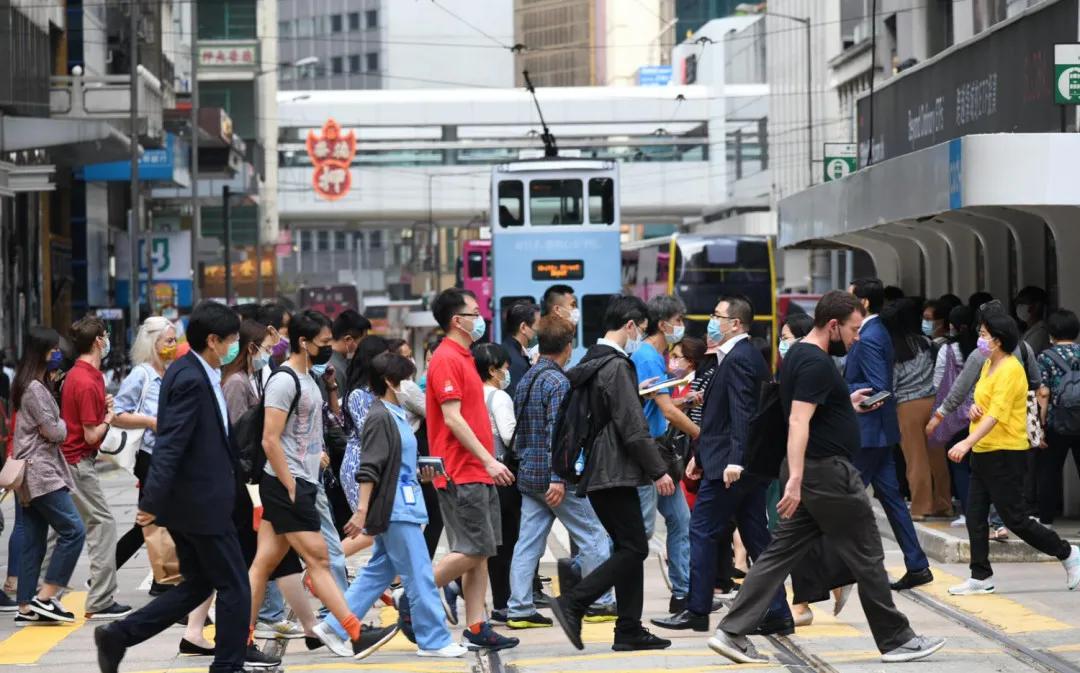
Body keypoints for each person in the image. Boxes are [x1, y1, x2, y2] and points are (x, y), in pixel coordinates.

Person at [707, 291, 946, 665]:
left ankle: (731, 631)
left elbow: (809, 410)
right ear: (833, 326)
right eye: (853, 330)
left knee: (776, 555)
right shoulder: (816, 363)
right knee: (867, 553)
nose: (857, 338)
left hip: (812, 473)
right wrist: (796, 479)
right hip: (826, 474)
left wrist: (841, 405)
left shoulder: (799, 355)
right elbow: (798, 420)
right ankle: (896, 639)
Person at [94, 301, 259, 673]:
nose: (235, 346)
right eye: (232, 339)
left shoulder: (199, 371)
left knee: (199, 585)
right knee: (235, 585)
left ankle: (118, 635)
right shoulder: (188, 378)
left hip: (202, 501)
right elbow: (169, 442)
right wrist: (151, 500)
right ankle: (228, 666)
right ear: (213, 340)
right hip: (200, 505)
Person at [248, 310, 396, 661]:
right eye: (324, 343)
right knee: (318, 559)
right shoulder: (285, 381)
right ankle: (352, 630)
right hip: (288, 484)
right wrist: (292, 486)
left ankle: (242, 639)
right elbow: (270, 439)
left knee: (263, 564)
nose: (329, 348)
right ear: (303, 342)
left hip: (301, 481)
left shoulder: (308, 378)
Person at [653, 296, 792, 635]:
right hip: (729, 462)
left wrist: (734, 461)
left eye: (717, 316)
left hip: (732, 467)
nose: (711, 322)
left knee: (700, 530)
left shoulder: (741, 359)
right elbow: (722, 416)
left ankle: (697, 610)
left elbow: (744, 415)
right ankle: (778, 612)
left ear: (736, 325)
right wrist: (701, 456)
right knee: (757, 538)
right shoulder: (732, 358)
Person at [316, 352, 468, 659]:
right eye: (404, 379)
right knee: (420, 573)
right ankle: (433, 639)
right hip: (395, 508)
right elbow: (369, 467)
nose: (409, 385)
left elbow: (396, 462)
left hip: (402, 503)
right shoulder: (380, 416)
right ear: (388, 382)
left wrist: (422, 472)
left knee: (378, 572)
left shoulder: (394, 413)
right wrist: (361, 511)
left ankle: (335, 625)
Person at [548, 294, 675, 653]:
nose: (641, 338)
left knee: (628, 546)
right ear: (631, 325)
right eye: (642, 330)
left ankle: (629, 629)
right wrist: (658, 470)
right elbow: (632, 428)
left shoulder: (592, 359)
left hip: (598, 469)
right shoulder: (616, 366)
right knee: (635, 547)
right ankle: (575, 602)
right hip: (614, 469)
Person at [946, 311, 1079, 595]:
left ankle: (1067, 553)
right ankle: (980, 576)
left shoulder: (1010, 369)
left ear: (997, 340)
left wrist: (966, 442)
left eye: (983, 335)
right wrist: (973, 410)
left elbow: (997, 414)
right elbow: (983, 404)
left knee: (1015, 519)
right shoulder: (987, 365)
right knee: (975, 515)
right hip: (984, 451)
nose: (979, 340)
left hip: (1005, 453)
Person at [416, 288, 519, 651]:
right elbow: (452, 419)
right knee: (474, 549)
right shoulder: (446, 358)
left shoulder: (464, 356)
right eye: (475, 313)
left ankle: (477, 627)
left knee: (481, 552)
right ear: (457, 320)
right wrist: (490, 460)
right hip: (463, 470)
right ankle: (415, 599)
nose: (482, 318)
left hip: (477, 470)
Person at [506, 314, 616, 630]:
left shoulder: (527, 378)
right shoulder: (558, 382)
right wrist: (558, 476)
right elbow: (559, 430)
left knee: (527, 543)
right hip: (554, 478)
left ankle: (520, 609)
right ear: (568, 346)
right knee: (594, 535)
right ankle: (600, 602)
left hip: (529, 474)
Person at [221, 319, 316, 645]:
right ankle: (255, 625)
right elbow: (240, 438)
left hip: (258, 480)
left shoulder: (250, 379)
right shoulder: (236, 383)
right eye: (264, 346)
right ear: (251, 348)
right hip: (248, 482)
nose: (268, 352)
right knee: (269, 558)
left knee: (273, 558)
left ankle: (306, 626)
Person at [845, 279, 932, 591]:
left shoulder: (869, 336)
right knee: (892, 500)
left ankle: (841, 567)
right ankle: (917, 563)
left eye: (850, 295)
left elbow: (880, 387)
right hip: (880, 433)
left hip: (870, 434)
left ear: (864, 303)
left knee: (842, 497)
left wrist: (845, 394)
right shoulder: (874, 331)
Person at [11, 327, 86, 625]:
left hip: (30, 473)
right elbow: (54, 431)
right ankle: (46, 597)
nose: (59, 354)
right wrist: (64, 425)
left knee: (34, 540)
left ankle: (26, 606)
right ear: (41, 352)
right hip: (41, 472)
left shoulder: (31, 384)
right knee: (74, 530)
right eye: (54, 350)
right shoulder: (34, 389)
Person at [59, 316, 131, 620]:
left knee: (61, 531)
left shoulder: (79, 374)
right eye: (106, 335)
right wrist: (108, 418)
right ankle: (100, 599)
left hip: (66, 461)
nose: (108, 340)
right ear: (98, 341)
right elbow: (91, 434)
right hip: (78, 462)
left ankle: (41, 595)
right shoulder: (87, 380)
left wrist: (103, 409)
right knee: (103, 524)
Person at [632, 295, 695, 614]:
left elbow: (659, 405)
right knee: (640, 533)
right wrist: (701, 435)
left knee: (681, 521)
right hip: (647, 454)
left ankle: (683, 593)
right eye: (679, 320)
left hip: (660, 451)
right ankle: (592, 581)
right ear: (663, 323)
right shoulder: (647, 356)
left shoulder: (656, 355)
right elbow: (666, 412)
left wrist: (685, 401)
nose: (681, 326)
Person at [113, 317, 177, 575]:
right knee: (150, 520)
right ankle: (105, 576)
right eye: (168, 340)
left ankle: (160, 580)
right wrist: (150, 422)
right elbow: (116, 413)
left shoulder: (171, 372)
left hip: (167, 456)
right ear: (153, 343)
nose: (173, 345)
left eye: (174, 340)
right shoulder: (142, 374)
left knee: (155, 520)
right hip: (149, 456)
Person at [884, 298, 952, 519]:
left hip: (907, 406)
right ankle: (943, 503)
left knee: (915, 459)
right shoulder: (926, 342)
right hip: (932, 403)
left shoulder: (893, 349)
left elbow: (892, 384)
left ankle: (921, 507)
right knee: (937, 457)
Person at [473, 342, 521, 623]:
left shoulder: (471, 395)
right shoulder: (499, 398)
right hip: (502, 477)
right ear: (492, 370)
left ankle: (465, 588)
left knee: (486, 544)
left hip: (477, 474)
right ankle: (502, 603)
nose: (507, 372)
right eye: (504, 368)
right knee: (506, 544)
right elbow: (508, 437)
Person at [927, 305, 977, 529]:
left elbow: (938, 384)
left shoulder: (946, 351)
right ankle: (989, 514)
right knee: (983, 466)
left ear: (951, 326)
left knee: (959, 466)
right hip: (983, 414)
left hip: (955, 416)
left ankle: (967, 512)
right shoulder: (985, 350)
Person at [1036, 309, 1080, 526]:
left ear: (1051, 333)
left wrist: (1039, 427)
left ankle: (1046, 521)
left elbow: (1042, 393)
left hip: (1056, 422)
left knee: (1050, 472)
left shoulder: (1045, 357)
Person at [329, 310, 371, 397]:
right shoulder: (334, 369)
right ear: (348, 340)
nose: (365, 345)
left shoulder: (338, 363)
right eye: (363, 340)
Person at [501, 302, 540, 396]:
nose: (540, 330)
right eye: (538, 325)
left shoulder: (506, 349)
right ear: (523, 327)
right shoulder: (516, 362)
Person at [1015, 286, 1050, 355]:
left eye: (1023, 303)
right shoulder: (1029, 330)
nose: (1019, 307)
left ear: (1036, 306)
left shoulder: (1041, 333)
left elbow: (1023, 356)